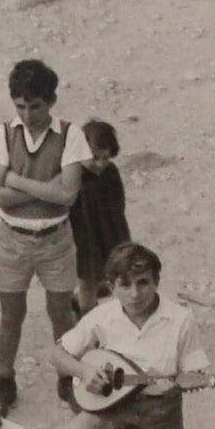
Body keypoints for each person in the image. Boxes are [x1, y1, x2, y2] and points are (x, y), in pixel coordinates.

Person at [0, 59, 92, 409]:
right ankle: (4, 375)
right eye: (20, 106)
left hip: (55, 239)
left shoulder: (71, 135)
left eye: (35, 106)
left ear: (52, 101)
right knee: (11, 313)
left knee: (60, 312)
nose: (27, 115)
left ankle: (67, 374)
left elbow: (67, 196)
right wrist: (46, 187)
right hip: (13, 238)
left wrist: (14, 179)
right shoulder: (2, 134)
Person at [50, 242, 212, 429]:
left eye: (143, 283)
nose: (135, 294)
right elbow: (56, 355)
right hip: (108, 410)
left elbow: (193, 370)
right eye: (125, 285)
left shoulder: (181, 319)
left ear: (156, 282)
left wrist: (176, 383)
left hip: (159, 417)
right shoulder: (102, 316)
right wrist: (84, 372)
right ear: (112, 287)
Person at [67, 120, 131, 316]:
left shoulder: (111, 173)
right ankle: (88, 317)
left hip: (111, 232)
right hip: (85, 239)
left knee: (116, 271)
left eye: (106, 157)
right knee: (87, 280)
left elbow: (119, 203)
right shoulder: (74, 176)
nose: (100, 164)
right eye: (94, 158)